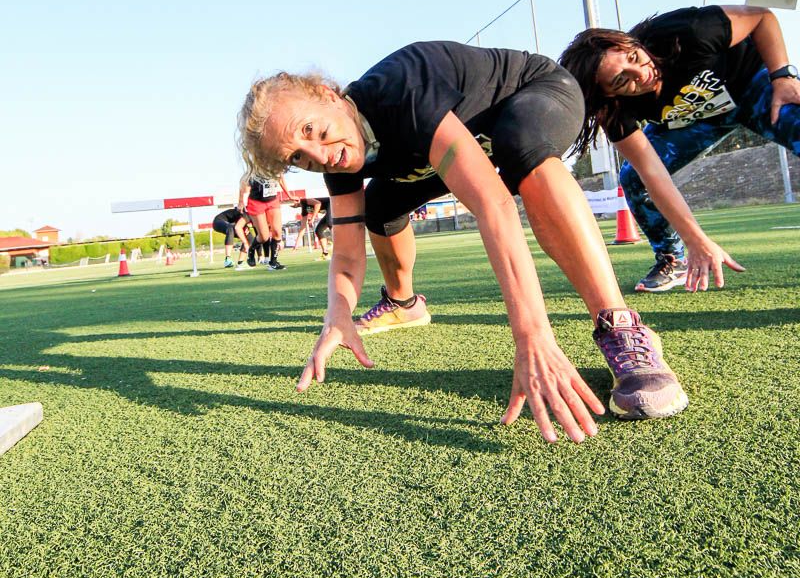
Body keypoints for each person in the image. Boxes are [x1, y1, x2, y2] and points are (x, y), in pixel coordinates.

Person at [237, 40, 688, 444]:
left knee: (521, 144)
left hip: (536, 95)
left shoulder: (402, 89)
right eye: (298, 157)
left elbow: (495, 206)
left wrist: (532, 335)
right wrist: (337, 313)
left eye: (313, 131)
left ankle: (621, 326)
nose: (318, 155)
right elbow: (349, 251)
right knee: (381, 203)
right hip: (463, 139)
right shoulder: (341, 164)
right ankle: (403, 301)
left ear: (331, 97)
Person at [559, 4, 800, 292]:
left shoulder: (686, 32)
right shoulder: (613, 110)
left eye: (635, 57)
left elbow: (762, 17)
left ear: (633, 44)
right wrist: (695, 239)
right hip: (693, 120)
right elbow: (651, 171)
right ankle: (671, 259)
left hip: (750, 87)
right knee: (633, 179)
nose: (641, 73)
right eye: (623, 81)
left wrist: (783, 76)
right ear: (608, 94)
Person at [238, 173, 296, 271]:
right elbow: (243, 182)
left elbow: (281, 178)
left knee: (277, 232)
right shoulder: (255, 167)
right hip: (256, 202)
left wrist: (289, 195)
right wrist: (240, 201)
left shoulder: (276, 165)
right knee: (264, 236)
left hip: (272, 201)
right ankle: (251, 250)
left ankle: (273, 262)